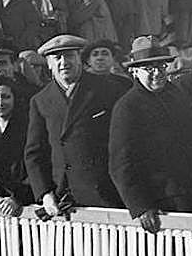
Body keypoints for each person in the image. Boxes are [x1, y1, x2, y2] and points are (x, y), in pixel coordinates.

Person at [108, 39, 192, 232]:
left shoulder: (176, 96)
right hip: (159, 201)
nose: (157, 73)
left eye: (161, 66)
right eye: (149, 68)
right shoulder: (127, 107)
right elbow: (121, 164)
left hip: (190, 191)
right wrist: (141, 206)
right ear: (134, 71)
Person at [25, 34, 127, 214]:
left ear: (79, 59)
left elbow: (125, 143)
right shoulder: (40, 101)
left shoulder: (108, 89)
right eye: (57, 58)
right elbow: (35, 153)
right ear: (48, 64)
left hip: (106, 195)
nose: (63, 62)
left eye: (69, 56)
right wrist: (45, 194)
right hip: (63, 199)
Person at [0, 78, 31, 212]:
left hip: (26, 201)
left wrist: (16, 198)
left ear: (14, 99)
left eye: (6, 97)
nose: (0, 102)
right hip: (0, 203)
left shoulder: (27, 125)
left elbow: (33, 167)